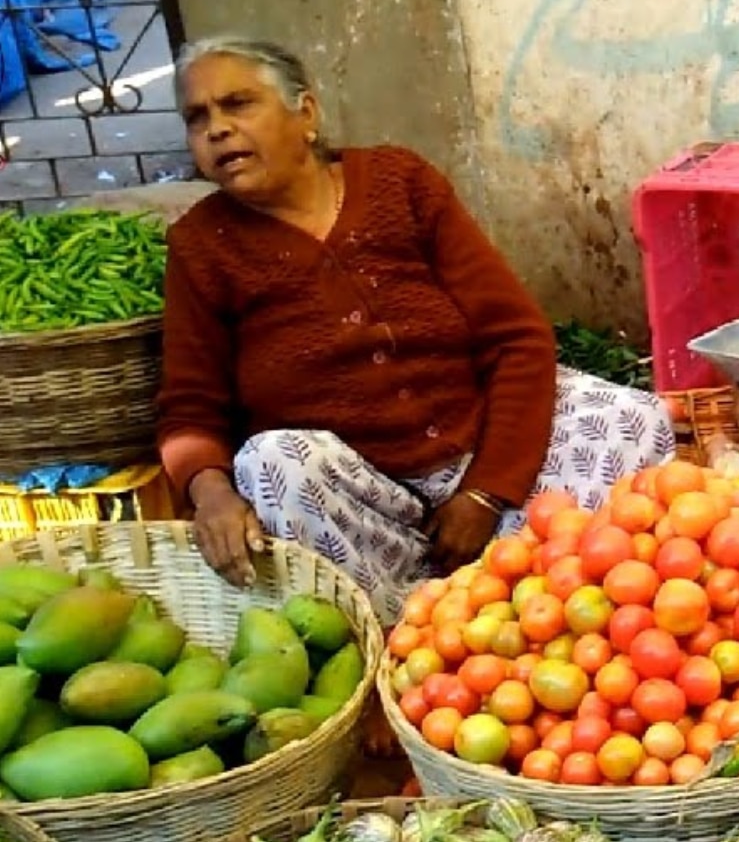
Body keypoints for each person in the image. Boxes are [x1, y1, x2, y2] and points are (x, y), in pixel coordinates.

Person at [157, 36, 675, 623]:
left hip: (484, 447)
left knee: (631, 416)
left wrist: (485, 492)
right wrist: (211, 492)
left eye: (238, 104)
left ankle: (553, 604)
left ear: (306, 113)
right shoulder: (201, 246)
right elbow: (190, 407)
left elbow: (517, 337)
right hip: (359, 499)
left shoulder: (398, 183)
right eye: (197, 118)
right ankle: (414, 629)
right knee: (272, 463)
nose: (217, 129)